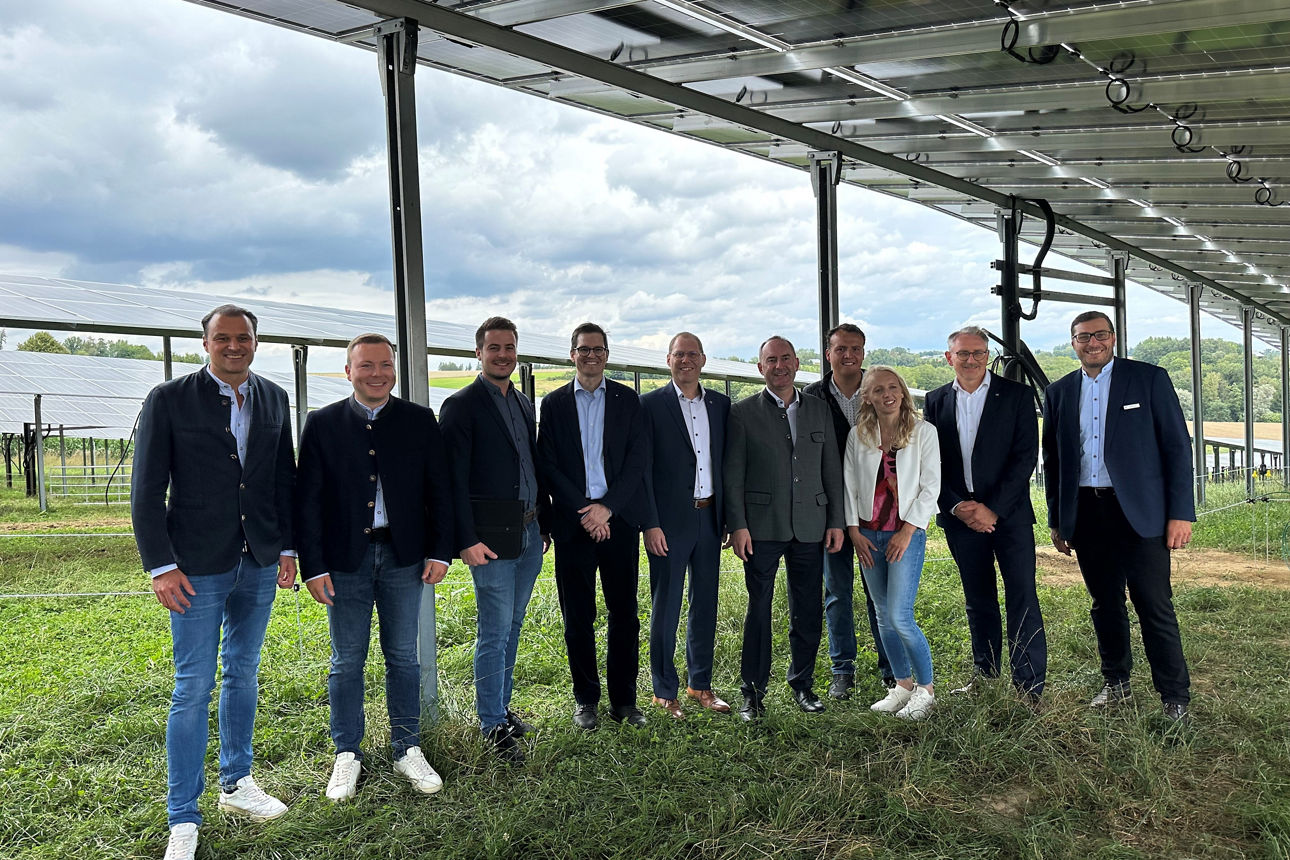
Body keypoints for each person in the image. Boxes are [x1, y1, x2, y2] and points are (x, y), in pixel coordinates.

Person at [131, 305, 296, 860]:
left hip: (259, 559)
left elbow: (282, 478)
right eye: (222, 338)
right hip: (194, 565)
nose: (233, 346)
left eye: (243, 337)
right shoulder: (169, 399)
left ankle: (237, 783)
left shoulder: (274, 397)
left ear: (256, 342)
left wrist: (288, 547)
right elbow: (147, 489)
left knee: (243, 673)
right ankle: (183, 815)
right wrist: (160, 565)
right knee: (193, 685)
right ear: (205, 344)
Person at [294, 333, 452, 801]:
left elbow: (439, 490)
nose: (377, 373)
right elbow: (309, 501)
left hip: (404, 556)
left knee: (404, 655)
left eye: (385, 365)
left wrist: (441, 551)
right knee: (347, 659)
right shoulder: (323, 424)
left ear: (395, 371)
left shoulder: (420, 421)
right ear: (348, 372)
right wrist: (313, 565)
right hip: (345, 561)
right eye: (366, 366)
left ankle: (407, 746)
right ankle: (347, 753)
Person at [1043, 311, 1194, 722]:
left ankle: (1174, 696)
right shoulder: (1059, 392)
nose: (1092, 343)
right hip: (1087, 512)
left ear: (1113, 337)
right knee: (1105, 603)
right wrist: (1058, 519)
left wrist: (1181, 513)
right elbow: (1053, 461)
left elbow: (1177, 448)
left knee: (1153, 604)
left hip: (1141, 513)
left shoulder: (1148, 379)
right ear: (1072, 342)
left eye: (1100, 335)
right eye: (1082, 337)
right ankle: (1117, 684)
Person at [440, 317, 550, 762]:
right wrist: (464, 539)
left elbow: (532, 466)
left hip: (528, 531)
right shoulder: (461, 406)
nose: (502, 355)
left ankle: (501, 708)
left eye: (509, 348)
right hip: (490, 540)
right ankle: (490, 724)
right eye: (494, 348)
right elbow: (451, 481)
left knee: (514, 625)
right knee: (493, 631)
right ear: (478, 353)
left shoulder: (523, 402)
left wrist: (545, 524)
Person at [923, 326, 1047, 703]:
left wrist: (992, 508)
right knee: (978, 598)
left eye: (979, 353)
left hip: (1008, 515)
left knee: (1022, 595)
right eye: (963, 354)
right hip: (960, 517)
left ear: (988, 355)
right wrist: (958, 505)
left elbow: (1025, 456)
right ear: (949, 358)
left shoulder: (1017, 395)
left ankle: (1028, 685)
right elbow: (931, 461)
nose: (971, 360)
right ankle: (986, 675)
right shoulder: (935, 400)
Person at [725, 335, 845, 721]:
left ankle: (803, 685)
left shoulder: (818, 409)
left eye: (786, 359)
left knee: (807, 608)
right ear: (761, 368)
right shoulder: (742, 413)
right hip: (761, 527)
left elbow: (831, 469)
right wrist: (738, 525)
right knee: (758, 608)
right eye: (771, 360)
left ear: (797, 363)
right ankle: (752, 693)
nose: (779, 366)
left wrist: (836, 521)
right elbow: (733, 476)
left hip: (812, 524)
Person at [537, 323, 651, 729]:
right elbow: (547, 465)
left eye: (598, 349)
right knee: (578, 617)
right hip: (573, 525)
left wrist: (607, 509)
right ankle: (586, 700)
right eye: (583, 350)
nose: (591, 356)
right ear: (572, 355)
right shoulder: (553, 405)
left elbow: (637, 461)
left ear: (607, 354)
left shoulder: (627, 399)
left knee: (625, 613)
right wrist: (586, 511)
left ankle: (624, 702)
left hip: (618, 524)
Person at [640, 332, 733, 719]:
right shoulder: (649, 405)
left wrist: (727, 518)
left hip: (710, 517)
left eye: (692, 354)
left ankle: (700, 684)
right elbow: (642, 470)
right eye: (679, 354)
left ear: (703, 359)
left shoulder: (722, 405)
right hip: (669, 523)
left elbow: (727, 463)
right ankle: (664, 690)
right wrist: (650, 524)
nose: (686, 361)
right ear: (668, 360)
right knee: (667, 606)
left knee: (705, 605)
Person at [802, 323, 893, 699]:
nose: (848, 355)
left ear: (863, 352)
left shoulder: (878, 391)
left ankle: (892, 667)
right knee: (837, 591)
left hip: (877, 510)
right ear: (829, 354)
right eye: (840, 349)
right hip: (831, 511)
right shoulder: (811, 396)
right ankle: (843, 670)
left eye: (855, 348)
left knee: (880, 593)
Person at [843, 366, 940, 721]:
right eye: (879, 389)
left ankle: (926, 691)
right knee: (883, 616)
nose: (888, 394)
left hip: (906, 534)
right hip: (868, 534)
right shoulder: (860, 434)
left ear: (902, 391)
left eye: (893, 387)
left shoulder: (923, 432)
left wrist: (907, 530)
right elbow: (849, 483)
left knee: (900, 615)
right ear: (866, 396)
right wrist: (854, 531)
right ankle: (902, 686)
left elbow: (931, 486)